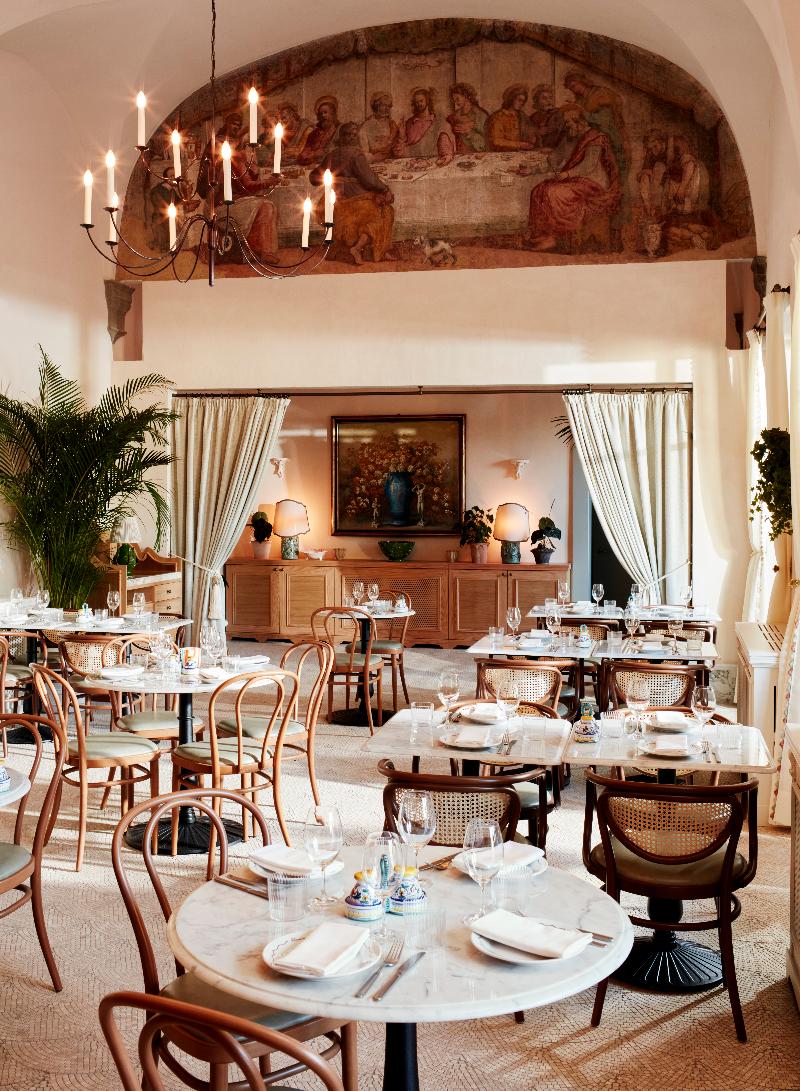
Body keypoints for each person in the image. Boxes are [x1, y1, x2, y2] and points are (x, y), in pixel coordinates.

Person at [527, 103, 621, 251]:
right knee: (538, 190)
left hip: (593, 183)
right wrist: (531, 170)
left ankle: (553, 237)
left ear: (580, 122)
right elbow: (554, 159)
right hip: (575, 181)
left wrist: (567, 173)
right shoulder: (570, 136)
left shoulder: (595, 137)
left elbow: (588, 166)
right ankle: (542, 234)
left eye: (568, 122)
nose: (566, 125)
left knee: (554, 193)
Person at [195, 113, 278, 262]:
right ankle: (263, 252)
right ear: (226, 123)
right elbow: (247, 184)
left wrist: (254, 170)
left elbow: (247, 181)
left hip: (238, 200)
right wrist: (268, 182)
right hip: (221, 204)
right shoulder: (222, 146)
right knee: (266, 206)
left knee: (265, 206)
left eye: (239, 125)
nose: (236, 127)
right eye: (233, 124)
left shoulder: (240, 156)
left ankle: (260, 250)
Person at [310, 122, 395, 264]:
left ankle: (342, 249)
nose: (352, 137)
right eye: (349, 134)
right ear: (341, 137)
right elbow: (369, 180)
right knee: (384, 210)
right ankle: (360, 248)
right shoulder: (356, 154)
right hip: (354, 198)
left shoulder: (332, 155)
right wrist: (385, 189)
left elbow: (313, 177)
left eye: (354, 135)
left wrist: (333, 179)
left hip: (335, 199)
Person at [391, 87, 455, 165]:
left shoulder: (437, 121)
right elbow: (402, 147)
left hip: (433, 162)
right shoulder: (409, 122)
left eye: (421, 101)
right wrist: (401, 136)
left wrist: (447, 155)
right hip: (412, 162)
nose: (419, 104)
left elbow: (445, 141)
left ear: (427, 101)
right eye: (416, 102)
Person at [486, 85, 535, 151]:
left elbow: (530, 134)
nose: (521, 103)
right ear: (511, 99)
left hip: (520, 152)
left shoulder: (522, 117)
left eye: (523, 101)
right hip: (503, 153)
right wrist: (519, 145)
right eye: (519, 100)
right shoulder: (499, 117)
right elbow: (496, 141)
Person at [297, 95, 341, 166]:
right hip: (312, 165)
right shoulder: (314, 133)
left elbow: (338, 150)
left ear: (332, 113)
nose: (323, 115)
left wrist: (315, 154)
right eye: (321, 114)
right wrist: (304, 154)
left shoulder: (340, 129)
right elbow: (307, 148)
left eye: (325, 112)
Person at [446, 83, 488, 152]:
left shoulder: (480, 115)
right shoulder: (453, 116)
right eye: (454, 100)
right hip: (459, 152)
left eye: (457, 99)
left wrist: (469, 131)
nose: (455, 102)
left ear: (465, 96)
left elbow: (486, 142)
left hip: (476, 153)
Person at [359, 92, 399, 161]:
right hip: (374, 161)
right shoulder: (366, 125)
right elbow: (365, 151)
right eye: (384, 105)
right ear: (376, 106)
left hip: (391, 160)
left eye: (389, 106)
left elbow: (397, 145)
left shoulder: (392, 124)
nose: (387, 108)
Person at [526, 84, 565, 149]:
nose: (548, 100)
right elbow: (527, 138)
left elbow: (563, 135)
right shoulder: (532, 118)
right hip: (538, 150)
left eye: (550, 98)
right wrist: (538, 133)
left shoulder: (559, 113)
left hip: (556, 149)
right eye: (544, 98)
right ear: (537, 101)